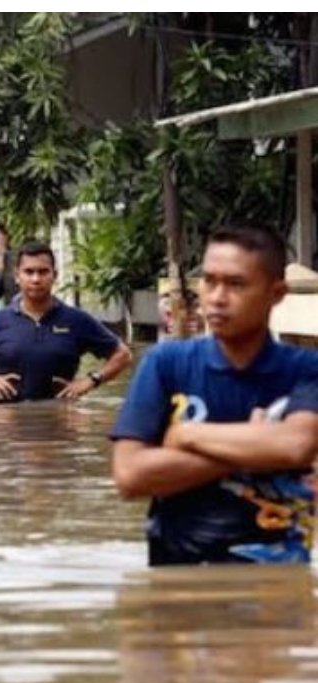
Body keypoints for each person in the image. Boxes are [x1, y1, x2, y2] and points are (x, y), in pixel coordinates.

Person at [110, 225, 318, 566]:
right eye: (209, 280)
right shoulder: (167, 364)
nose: (217, 297)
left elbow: (296, 446)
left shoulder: (306, 369)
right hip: (178, 579)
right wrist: (257, 445)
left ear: (276, 293)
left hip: (277, 587)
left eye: (236, 284)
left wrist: (185, 435)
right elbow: (131, 476)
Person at [0, 241, 133, 403]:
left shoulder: (76, 320)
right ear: (17, 276)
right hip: (7, 428)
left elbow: (123, 355)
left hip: (60, 421)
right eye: (29, 272)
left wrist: (91, 380)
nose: (36, 279)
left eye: (43, 272)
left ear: (55, 275)